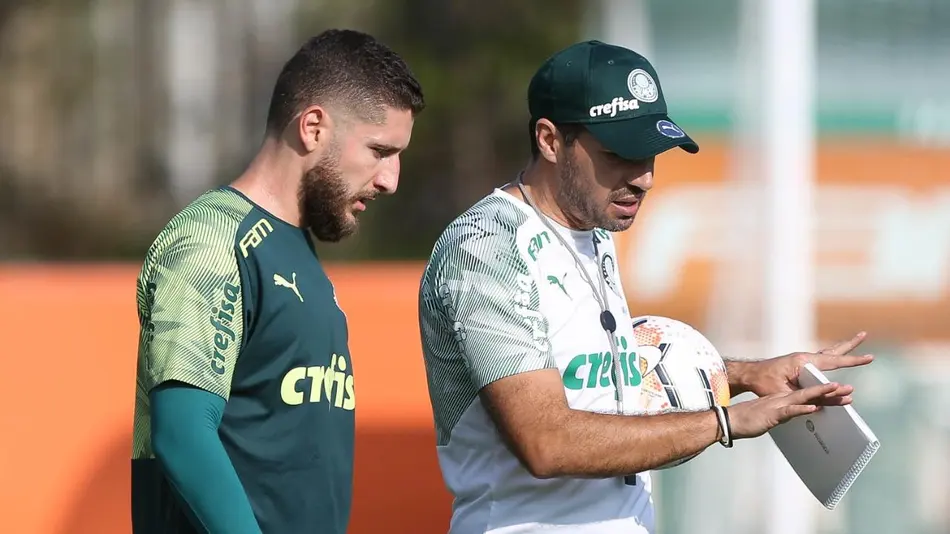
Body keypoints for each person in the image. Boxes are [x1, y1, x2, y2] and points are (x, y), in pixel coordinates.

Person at [417, 40, 872, 534]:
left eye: (652, 153)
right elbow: (546, 440)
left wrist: (746, 375)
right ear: (550, 140)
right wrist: (726, 422)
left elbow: (596, 381)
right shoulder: (486, 247)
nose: (646, 178)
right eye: (620, 154)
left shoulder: (593, 229)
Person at [131, 29, 425, 534]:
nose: (390, 179)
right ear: (312, 127)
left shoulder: (295, 249)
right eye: (379, 150)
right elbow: (182, 435)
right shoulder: (213, 241)